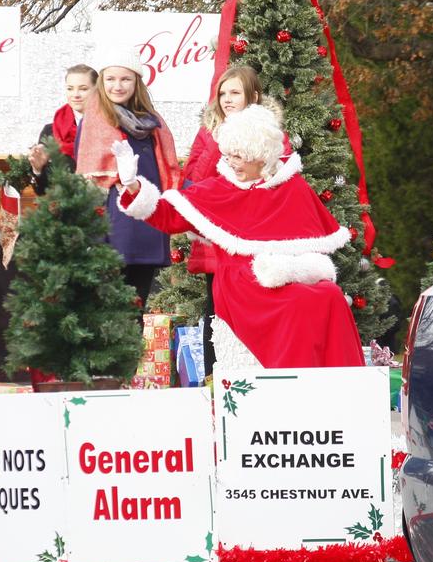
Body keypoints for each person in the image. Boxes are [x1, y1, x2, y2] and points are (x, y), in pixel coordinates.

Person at [112, 104, 364, 369]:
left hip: (290, 272)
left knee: (331, 296)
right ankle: (290, 382)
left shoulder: (292, 187)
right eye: (228, 154)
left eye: (239, 157)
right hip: (242, 283)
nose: (230, 162)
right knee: (296, 304)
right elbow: (168, 215)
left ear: (261, 156)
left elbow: (312, 245)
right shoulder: (218, 189)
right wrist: (132, 185)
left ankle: (339, 382)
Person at [181, 66, 288, 377]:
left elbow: (278, 179)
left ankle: (258, 373)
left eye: (235, 93)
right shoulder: (208, 132)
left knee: (257, 308)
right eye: (223, 93)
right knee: (217, 311)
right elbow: (193, 181)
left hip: (258, 236)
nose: (227, 100)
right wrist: (218, 139)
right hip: (218, 236)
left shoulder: (269, 132)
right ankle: (217, 379)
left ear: (252, 97)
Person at [74, 45, 180, 309]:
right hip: (112, 229)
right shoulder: (94, 122)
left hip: (148, 223)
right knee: (109, 311)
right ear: (101, 82)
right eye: (110, 79)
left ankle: (133, 352)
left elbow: (164, 170)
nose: (117, 86)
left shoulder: (153, 122)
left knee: (136, 307)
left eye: (125, 79)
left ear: (137, 82)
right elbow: (87, 180)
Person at [29, 64, 98, 191]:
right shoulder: (50, 131)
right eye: (70, 88)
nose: (75, 95)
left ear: (97, 90)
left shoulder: (110, 127)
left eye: (83, 89)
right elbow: (41, 190)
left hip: (103, 207)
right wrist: (37, 170)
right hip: (64, 208)